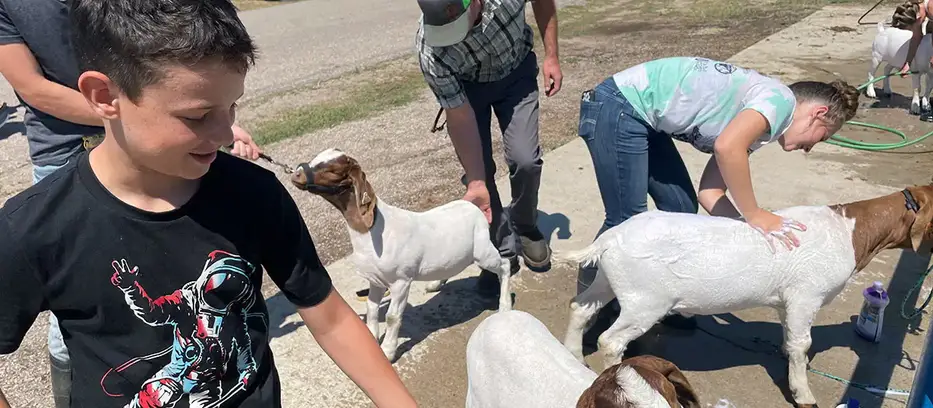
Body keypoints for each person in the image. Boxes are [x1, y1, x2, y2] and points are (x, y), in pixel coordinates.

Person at [0, 1, 418, 407]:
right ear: (104, 95)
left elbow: (330, 316)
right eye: (198, 117)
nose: (224, 134)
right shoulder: (33, 229)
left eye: (232, 107)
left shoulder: (256, 194)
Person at [0, 1, 263, 406]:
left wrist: (202, 116)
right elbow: (32, 88)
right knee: (73, 311)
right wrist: (141, 114)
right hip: (76, 145)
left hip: (151, 118)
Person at [575, 56, 860, 334]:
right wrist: (755, 213)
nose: (811, 148)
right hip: (618, 106)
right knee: (627, 220)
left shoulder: (762, 124)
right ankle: (591, 310)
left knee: (680, 204)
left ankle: (661, 300)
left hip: (642, 119)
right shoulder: (780, 102)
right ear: (818, 114)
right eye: (822, 137)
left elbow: (710, 193)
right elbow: (727, 148)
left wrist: (751, 231)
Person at [415, 0, 562, 296]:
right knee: (479, 173)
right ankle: (500, 249)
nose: (454, 36)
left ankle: (524, 225)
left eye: (457, 24)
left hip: (516, 73)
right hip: (469, 92)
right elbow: (458, 115)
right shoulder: (430, 50)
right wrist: (477, 179)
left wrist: (552, 57)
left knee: (526, 160)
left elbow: (543, 2)